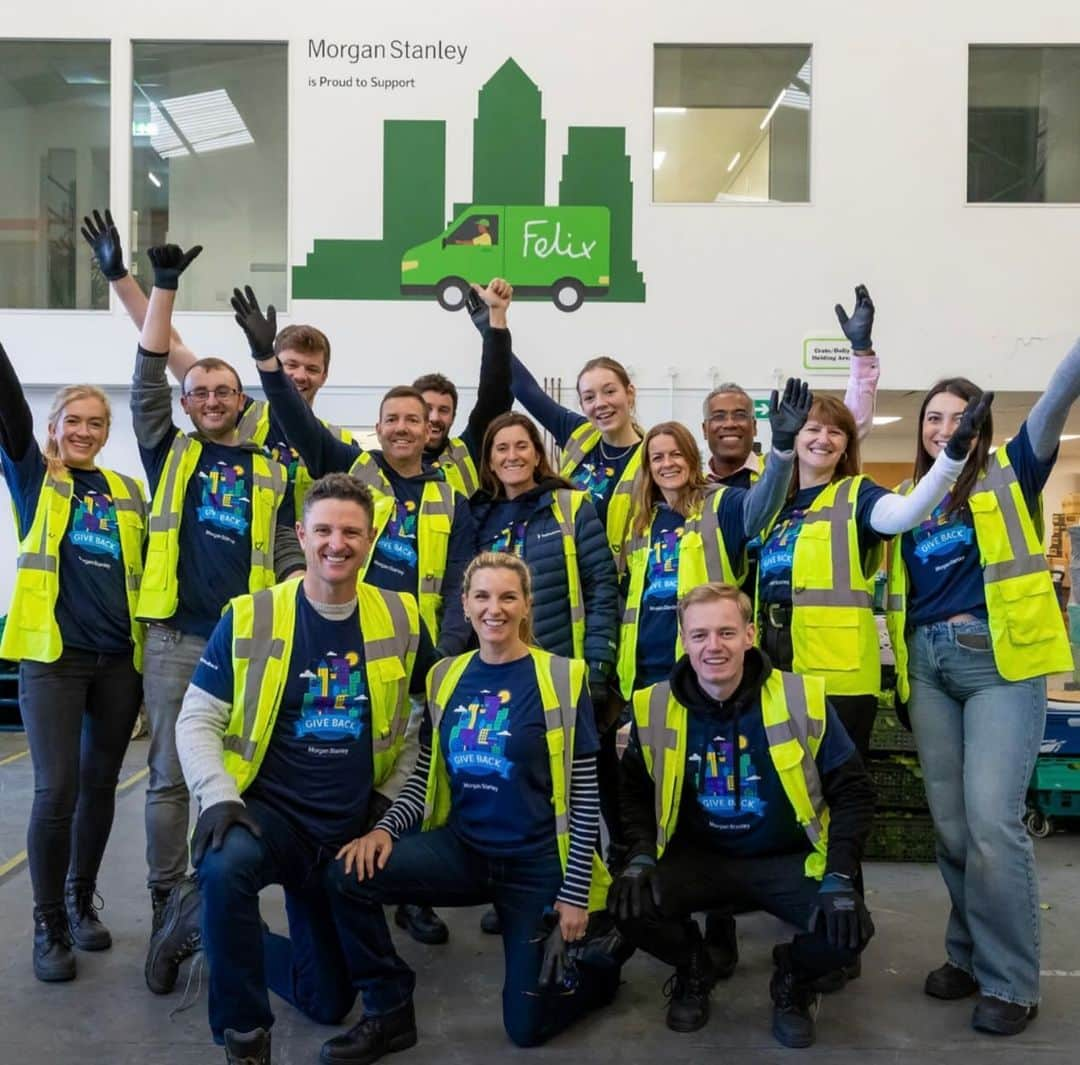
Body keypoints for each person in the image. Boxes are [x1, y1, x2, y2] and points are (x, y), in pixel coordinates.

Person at [176, 473, 438, 1065]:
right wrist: (219, 797)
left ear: (370, 540)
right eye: (323, 530)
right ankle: (244, 1037)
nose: (336, 544)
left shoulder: (400, 617)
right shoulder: (249, 616)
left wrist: (392, 801)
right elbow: (197, 720)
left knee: (326, 1002)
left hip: (347, 828)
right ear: (302, 534)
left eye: (350, 532)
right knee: (224, 868)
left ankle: (207, 929)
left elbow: (425, 723)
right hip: (272, 819)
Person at [329, 552, 622, 1057]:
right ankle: (388, 1003)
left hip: (534, 863)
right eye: (483, 596)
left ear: (527, 605)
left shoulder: (563, 678)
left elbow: (583, 791)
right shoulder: (445, 676)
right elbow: (426, 775)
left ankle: (600, 962)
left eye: (509, 596)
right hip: (464, 850)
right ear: (464, 605)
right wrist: (386, 831)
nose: (495, 609)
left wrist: (575, 893)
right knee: (346, 876)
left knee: (526, 1028)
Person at [884, 340, 1080, 1036]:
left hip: (1001, 663)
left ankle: (1011, 981)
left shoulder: (1013, 471)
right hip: (929, 667)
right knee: (954, 827)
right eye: (932, 417)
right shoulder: (911, 500)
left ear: (981, 424)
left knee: (994, 823)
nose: (943, 427)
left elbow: (1059, 392)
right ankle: (965, 955)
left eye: (957, 416)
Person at [130, 243, 303, 996]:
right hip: (176, 638)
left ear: (241, 400)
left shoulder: (273, 465)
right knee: (170, 777)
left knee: (242, 776)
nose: (207, 398)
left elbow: (294, 545)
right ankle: (169, 899)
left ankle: (208, 904)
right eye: (196, 389)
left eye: (221, 389)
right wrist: (160, 288)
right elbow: (145, 379)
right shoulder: (167, 451)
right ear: (186, 401)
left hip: (252, 645)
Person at [611, 582, 876, 1047]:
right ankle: (695, 967)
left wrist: (839, 876)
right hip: (698, 859)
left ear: (750, 635)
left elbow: (853, 790)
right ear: (684, 640)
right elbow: (632, 790)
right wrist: (637, 856)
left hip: (783, 859)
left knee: (848, 932)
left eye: (727, 632)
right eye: (699, 635)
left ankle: (793, 977)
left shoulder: (802, 699)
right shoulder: (653, 706)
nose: (713, 646)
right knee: (628, 905)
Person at [0, 342, 146, 983]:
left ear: (106, 433)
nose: (84, 431)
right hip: (53, 660)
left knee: (99, 786)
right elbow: (9, 411)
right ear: (54, 427)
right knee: (55, 790)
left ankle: (80, 901)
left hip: (119, 661)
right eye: (73, 421)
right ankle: (47, 924)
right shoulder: (36, 476)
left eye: (96, 423)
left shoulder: (127, 492)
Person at [234, 286, 477, 658]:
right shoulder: (354, 470)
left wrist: (445, 654)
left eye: (413, 420)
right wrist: (267, 360)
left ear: (428, 430)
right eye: (391, 419)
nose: (401, 428)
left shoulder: (452, 502)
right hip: (342, 632)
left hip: (417, 646)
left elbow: (459, 584)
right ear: (377, 430)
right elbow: (299, 423)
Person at [81, 208, 354, 514]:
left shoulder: (338, 442)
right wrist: (119, 277)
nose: (300, 375)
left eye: (311, 368)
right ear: (275, 365)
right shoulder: (239, 410)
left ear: (325, 376)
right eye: (290, 365)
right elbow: (168, 345)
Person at [755, 393, 982, 759]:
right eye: (812, 429)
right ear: (795, 438)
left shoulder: (857, 495)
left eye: (836, 432)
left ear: (846, 446)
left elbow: (905, 514)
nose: (823, 439)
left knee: (839, 788)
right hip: (775, 666)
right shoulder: (772, 505)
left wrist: (951, 459)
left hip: (837, 677)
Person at [470, 411, 619, 934]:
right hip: (504, 678)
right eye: (500, 448)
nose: (512, 456)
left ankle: (587, 899)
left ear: (537, 452)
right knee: (517, 787)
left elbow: (603, 585)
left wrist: (598, 664)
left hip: (564, 674)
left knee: (577, 794)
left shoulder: (572, 507)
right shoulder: (480, 518)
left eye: (521, 446)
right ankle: (516, 893)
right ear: (488, 461)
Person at [617, 382, 810, 699]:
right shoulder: (641, 523)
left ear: (692, 458)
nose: (668, 464)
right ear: (648, 468)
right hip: (643, 673)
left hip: (706, 670)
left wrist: (783, 448)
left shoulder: (721, 504)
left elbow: (762, 505)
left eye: (676, 454)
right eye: (658, 458)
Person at [703, 285, 881, 488]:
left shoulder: (784, 470)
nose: (730, 423)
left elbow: (848, 426)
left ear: (754, 426)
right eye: (718, 416)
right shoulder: (692, 487)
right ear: (705, 429)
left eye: (740, 415)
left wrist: (862, 351)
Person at [510, 349, 642, 560]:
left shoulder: (651, 458)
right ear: (582, 405)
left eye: (609, 392)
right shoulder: (579, 435)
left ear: (629, 394)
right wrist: (491, 328)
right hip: (567, 574)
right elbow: (525, 389)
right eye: (589, 397)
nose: (600, 403)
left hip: (614, 583)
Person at [412, 280, 514, 497]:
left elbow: (495, 392)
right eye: (427, 408)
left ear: (453, 417)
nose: (435, 417)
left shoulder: (468, 450)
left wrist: (496, 317)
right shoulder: (385, 463)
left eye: (444, 410)